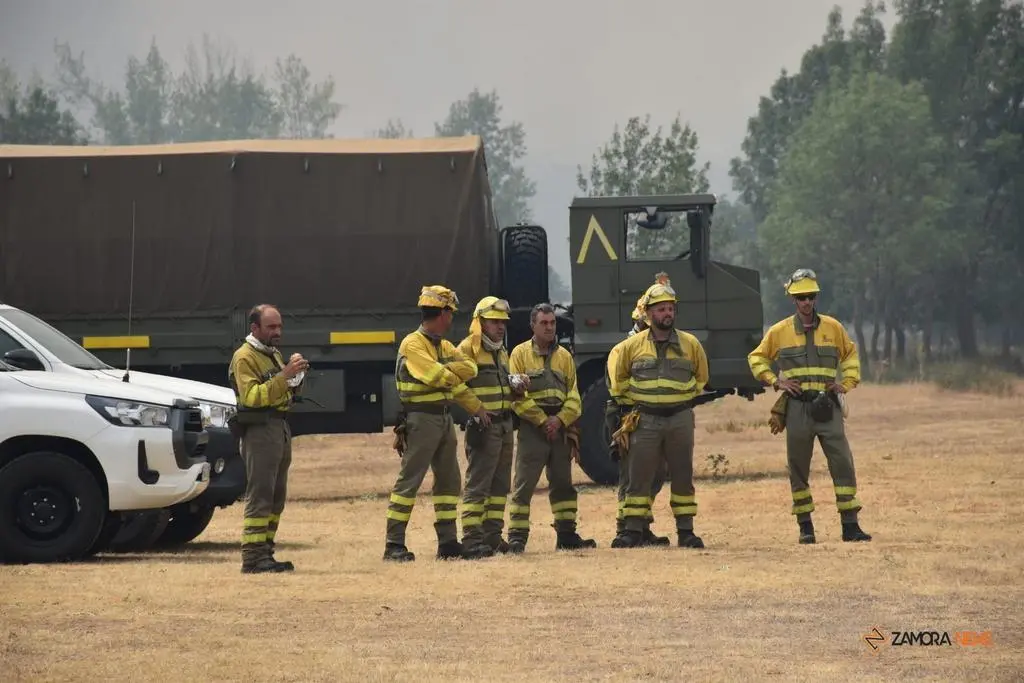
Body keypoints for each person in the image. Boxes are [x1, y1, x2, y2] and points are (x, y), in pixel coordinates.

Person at [747, 268, 872, 544]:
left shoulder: (833, 327)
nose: (807, 302)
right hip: (797, 408)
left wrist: (847, 382)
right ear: (793, 300)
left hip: (828, 407)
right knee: (798, 466)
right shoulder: (779, 332)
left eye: (811, 297)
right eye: (801, 297)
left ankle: (850, 525)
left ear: (816, 298)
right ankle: (806, 527)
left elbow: (850, 354)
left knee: (842, 462)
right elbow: (756, 358)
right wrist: (775, 381)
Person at [608, 276, 709, 549]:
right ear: (649, 313)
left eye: (671, 308)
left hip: (680, 418)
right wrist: (644, 403)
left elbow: (701, 379)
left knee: (682, 475)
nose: (667, 313)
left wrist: (680, 400)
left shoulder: (691, 345)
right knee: (639, 477)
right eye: (661, 309)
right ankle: (632, 531)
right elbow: (619, 383)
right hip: (646, 420)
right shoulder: (631, 347)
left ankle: (686, 531)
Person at [384, 285, 479, 562]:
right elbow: (440, 376)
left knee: (450, 481)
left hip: (443, 418)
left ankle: (448, 543)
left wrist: (452, 377)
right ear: (443, 313)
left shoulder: (443, 345)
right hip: (421, 419)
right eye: (450, 313)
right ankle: (394, 544)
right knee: (409, 481)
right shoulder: (413, 344)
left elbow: (470, 369)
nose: (452, 319)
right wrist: (451, 372)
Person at [506, 303, 597, 553]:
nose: (549, 327)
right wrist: (542, 420)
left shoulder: (565, 357)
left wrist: (560, 420)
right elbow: (516, 398)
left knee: (563, 484)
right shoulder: (519, 354)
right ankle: (516, 537)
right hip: (532, 429)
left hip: (559, 429)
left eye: (552, 323)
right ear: (532, 326)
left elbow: (574, 396)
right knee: (524, 484)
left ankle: (567, 534)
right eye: (543, 323)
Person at [228, 304, 309, 574]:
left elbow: (280, 390)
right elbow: (252, 398)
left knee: (276, 496)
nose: (277, 332)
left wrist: (296, 377)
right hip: (260, 432)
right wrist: (284, 375)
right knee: (261, 494)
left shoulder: (272, 354)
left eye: (279, 326)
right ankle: (252, 558)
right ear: (254, 328)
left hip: (279, 428)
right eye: (271, 327)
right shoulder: (244, 357)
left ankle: (266, 552)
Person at [452, 296, 529, 558]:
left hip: (505, 425)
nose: (500, 327)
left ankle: (493, 536)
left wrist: (518, 391)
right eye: (494, 322)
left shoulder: (500, 350)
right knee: (478, 485)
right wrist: (476, 408)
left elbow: (501, 386)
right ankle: (472, 539)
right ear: (480, 322)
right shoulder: (466, 350)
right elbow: (454, 384)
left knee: (499, 486)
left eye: (503, 322)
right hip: (484, 428)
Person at [606, 290, 669, 546]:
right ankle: (625, 528)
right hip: (629, 418)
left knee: (654, 474)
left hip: (655, 418)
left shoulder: (656, 347)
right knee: (631, 475)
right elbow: (617, 387)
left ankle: (642, 525)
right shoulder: (623, 350)